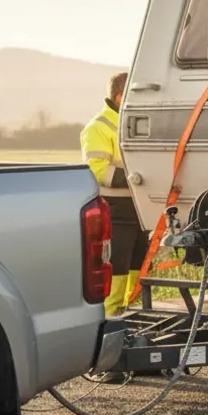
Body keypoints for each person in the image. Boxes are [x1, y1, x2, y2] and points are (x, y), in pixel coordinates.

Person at [81, 72, 149, 318]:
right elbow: (98, 170)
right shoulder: (98, 127)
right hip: (115, 209)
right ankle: (111, 318)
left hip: (139, 206)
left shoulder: (132, 123)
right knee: (118, 266)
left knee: (139, 265)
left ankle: (135, 313)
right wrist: (137, 177)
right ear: (121, 98)